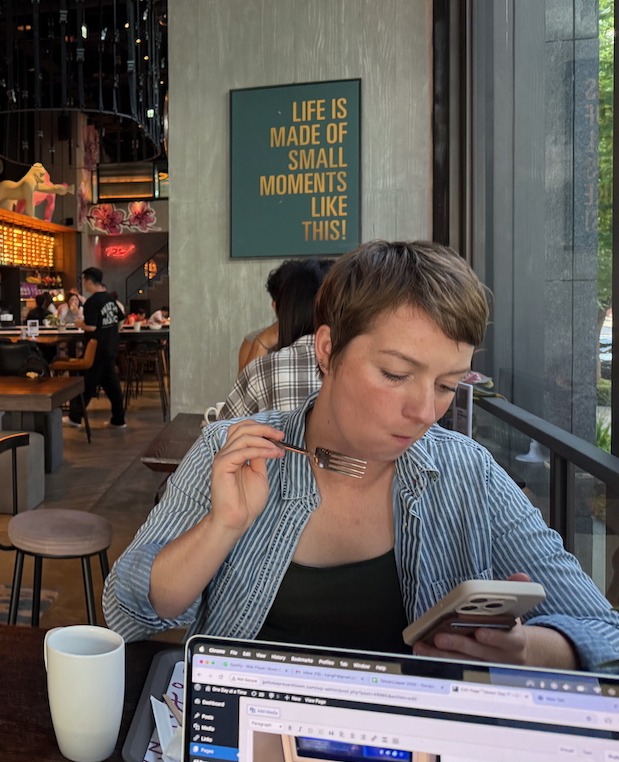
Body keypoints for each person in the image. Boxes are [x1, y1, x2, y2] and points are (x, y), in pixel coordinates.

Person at [104, 241, 619, 671]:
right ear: (328, 349)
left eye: (446, 385)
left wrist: (526, 649)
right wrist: (223, 526)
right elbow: (128, 613)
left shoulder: (467, 474)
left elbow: (604, 631)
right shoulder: (236, 452)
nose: (424, 412)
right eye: (396, 374)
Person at [219, 258, 334, 419]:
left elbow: (226, 427)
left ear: (286, 309)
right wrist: (261, 342)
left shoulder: (264, 368)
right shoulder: (355, 364)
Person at [68, 268, 125, 429]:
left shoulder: (92, 302)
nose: (84, 285)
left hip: (96, 349)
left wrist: (79, 324)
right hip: (111, 346)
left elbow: (91, 327)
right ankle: (118, 419)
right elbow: (121, 319)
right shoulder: (110, 299)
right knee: (110, 384)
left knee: (89, 383)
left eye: (84, 281)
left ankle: (75, 417)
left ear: (89, 282)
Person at [237, 260, 301, 373]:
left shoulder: (324, 339)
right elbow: (245, 384)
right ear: (275, 307)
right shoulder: (253, 341)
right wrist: (261, 344)